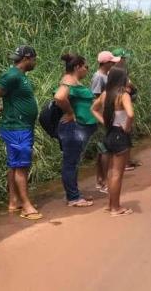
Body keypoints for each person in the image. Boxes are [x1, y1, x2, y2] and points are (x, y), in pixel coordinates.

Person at [0, 46, 41, 220]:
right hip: (17, 128)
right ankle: (26, 206)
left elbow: (11, 97)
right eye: (34, 59)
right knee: (21, 165)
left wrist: (3, 106)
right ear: (27, 58)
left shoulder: (20, 76)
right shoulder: (12, 75)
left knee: (14, 164)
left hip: (20, 126)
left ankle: (14, 201)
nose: (35, 62)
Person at [54, 53, 97, 207]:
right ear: (77, 67)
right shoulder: (68, 81)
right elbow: (59, 97)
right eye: (86, 66)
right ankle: (73, 198)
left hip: (78, 129)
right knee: (70, 163)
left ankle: (74, 194)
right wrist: (71, 113)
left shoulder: (72, 81)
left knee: (73, 162)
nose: (87, 70)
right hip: (73, 129)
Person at [91, 67, 134, 217]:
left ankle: (111, 205)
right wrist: (127, 128)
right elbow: (130, 114)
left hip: (109, 134)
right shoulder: (123, 95)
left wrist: (104, 122)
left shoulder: (105, 94)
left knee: (110, 171)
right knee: (117, 174)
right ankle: (116, 208)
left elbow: (93, 109)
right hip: (120, 135)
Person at [92, 51, 120, 193]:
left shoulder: (106, 76)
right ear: (106, 63)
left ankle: (101, 180)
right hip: (103, 118)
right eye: (112, 62)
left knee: (102, 149)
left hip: (107, 116)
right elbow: (96, 99)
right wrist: (103, 119)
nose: (114, 64)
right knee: (104, 150)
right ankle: (103, 182)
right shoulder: (98, 77)